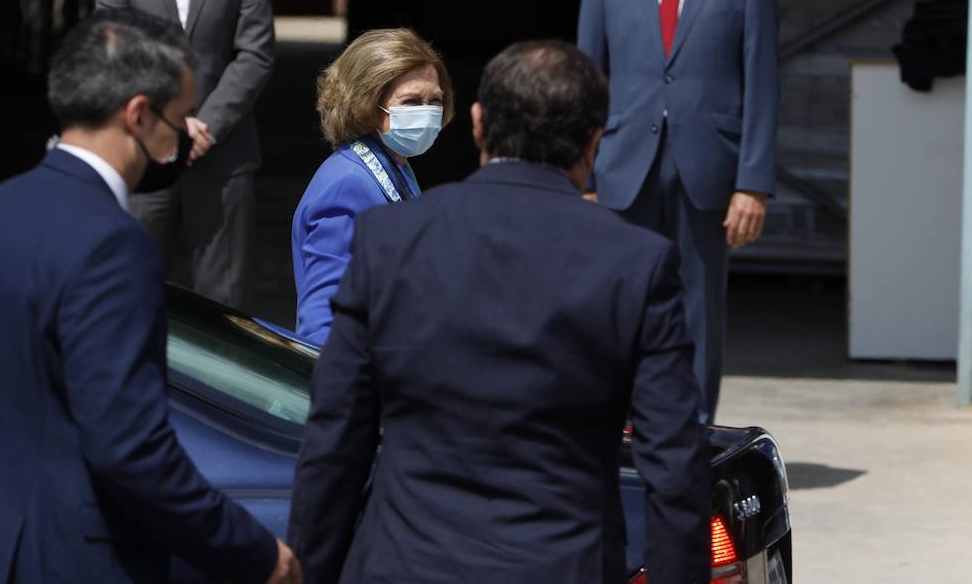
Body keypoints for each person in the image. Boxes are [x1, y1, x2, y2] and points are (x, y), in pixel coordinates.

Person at [288, 40, 710, 583]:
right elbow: (675, 466)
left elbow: (334, 437)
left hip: (407, 563)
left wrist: (309, 567)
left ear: (479, 125)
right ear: (594, 142)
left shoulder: (390, 240)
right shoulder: (638, 261)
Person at [0, 10, 299, 584]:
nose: (183, 141)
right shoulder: (114, 246)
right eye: (179, 122)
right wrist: (255, 553)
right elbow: (130, 448)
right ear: (139, 115)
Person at [577, 0, 778, 423]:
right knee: (615, 301)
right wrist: (582, 173)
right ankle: (615, 429)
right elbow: (588, 78)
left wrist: (754, 183)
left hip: (709, 172)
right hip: (620, 167)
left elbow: (762, 79)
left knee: (697, 312)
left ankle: (690, 439)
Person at [96, 0, 274, 311]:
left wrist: (207, 126)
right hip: (145, 151)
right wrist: (167, 124)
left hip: (222, 153)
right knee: (133, 289)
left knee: (225, 301)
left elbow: (255, 53)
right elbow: (115, 51)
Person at [292, 28, 453, 345]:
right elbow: (325, 328)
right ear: (366, 105)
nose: (428, 112)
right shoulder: (349, 186)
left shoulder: (396, 167)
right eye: (411, 101)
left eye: (435, 100)